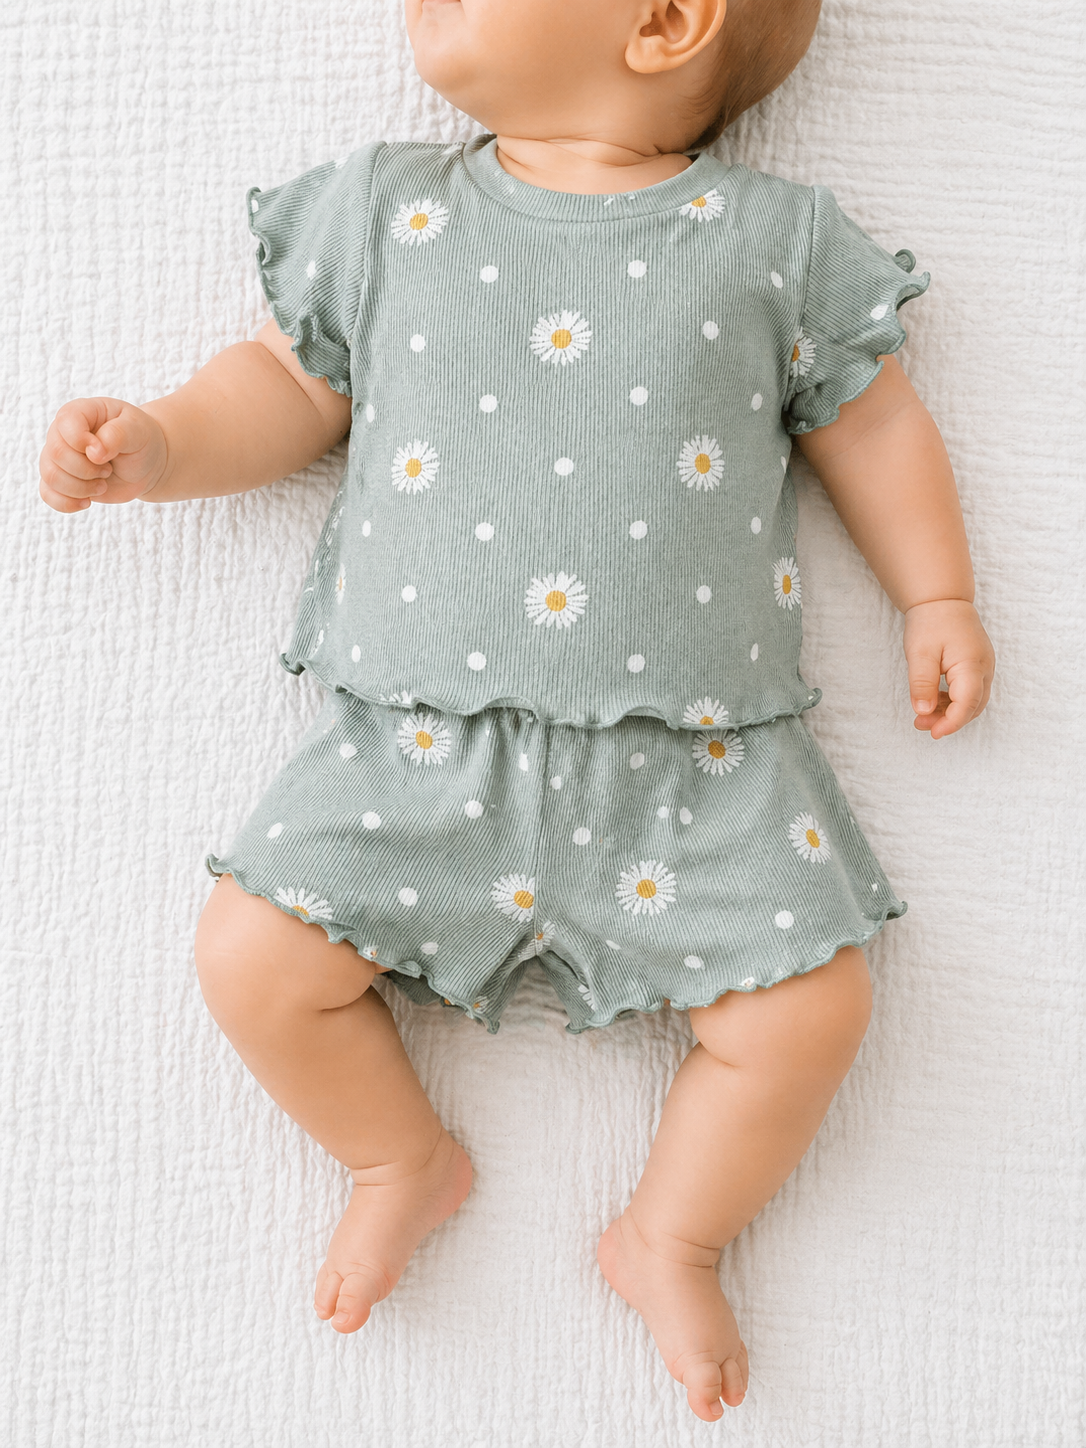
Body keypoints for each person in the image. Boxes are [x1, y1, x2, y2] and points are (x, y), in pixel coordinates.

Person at [38, 0, 994, 1421]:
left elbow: (872, 421)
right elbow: (286, 385)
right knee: (251, 960)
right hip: (415, 750)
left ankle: (669, 1231)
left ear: (665, 22)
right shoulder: (385, 213)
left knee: (810, 1010)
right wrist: (166, 445)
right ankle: (394, 1157)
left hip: (696, 767)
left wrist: (936, 597)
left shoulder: (767, 243)